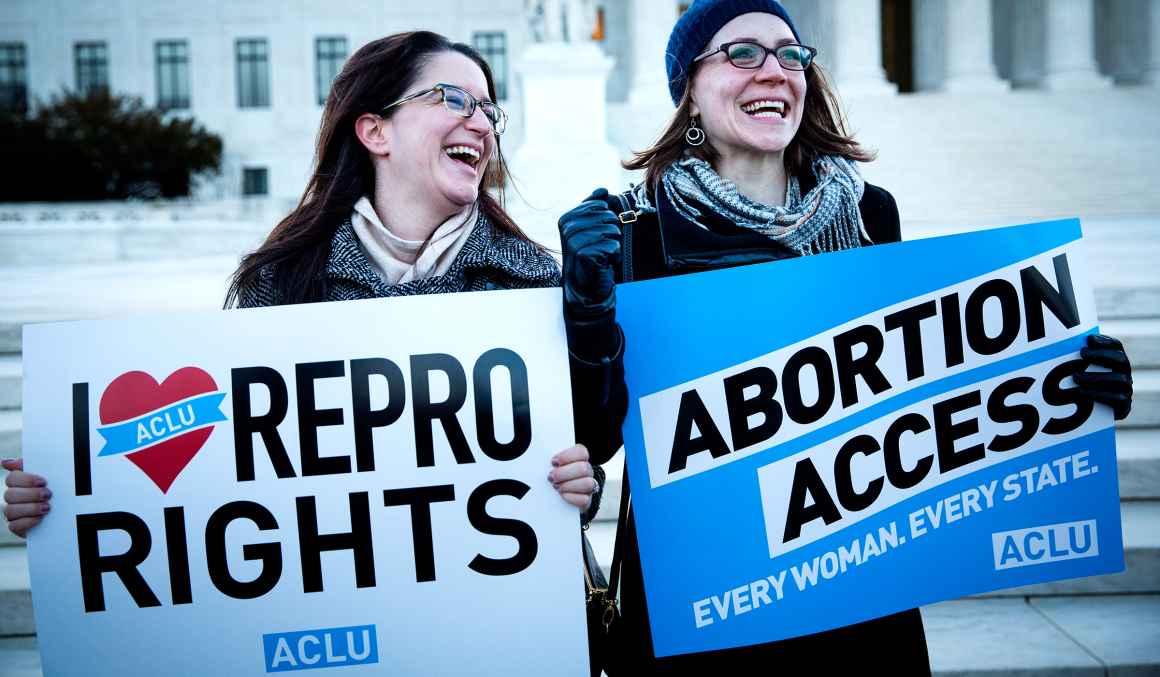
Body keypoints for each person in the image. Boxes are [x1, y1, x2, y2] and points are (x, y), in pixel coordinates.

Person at [556, 0, 1135, 672]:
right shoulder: (635, 236)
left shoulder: (867, 214)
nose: (773, 70)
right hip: (707, 606)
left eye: (790, 54)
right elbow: (593, 435)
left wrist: (1064, 379)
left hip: (855, 604)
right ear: (688, 91)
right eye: (742, 53)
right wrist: (588, 308)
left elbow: (924, 386)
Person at [4, 32, 614, 541]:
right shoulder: (281, 283)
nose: (480, 123)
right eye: (454, 100)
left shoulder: (529, 281)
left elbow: (563, 467)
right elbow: (228, 466)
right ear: (375, 131)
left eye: (488, 109)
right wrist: (77, 496)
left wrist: (576, 489)